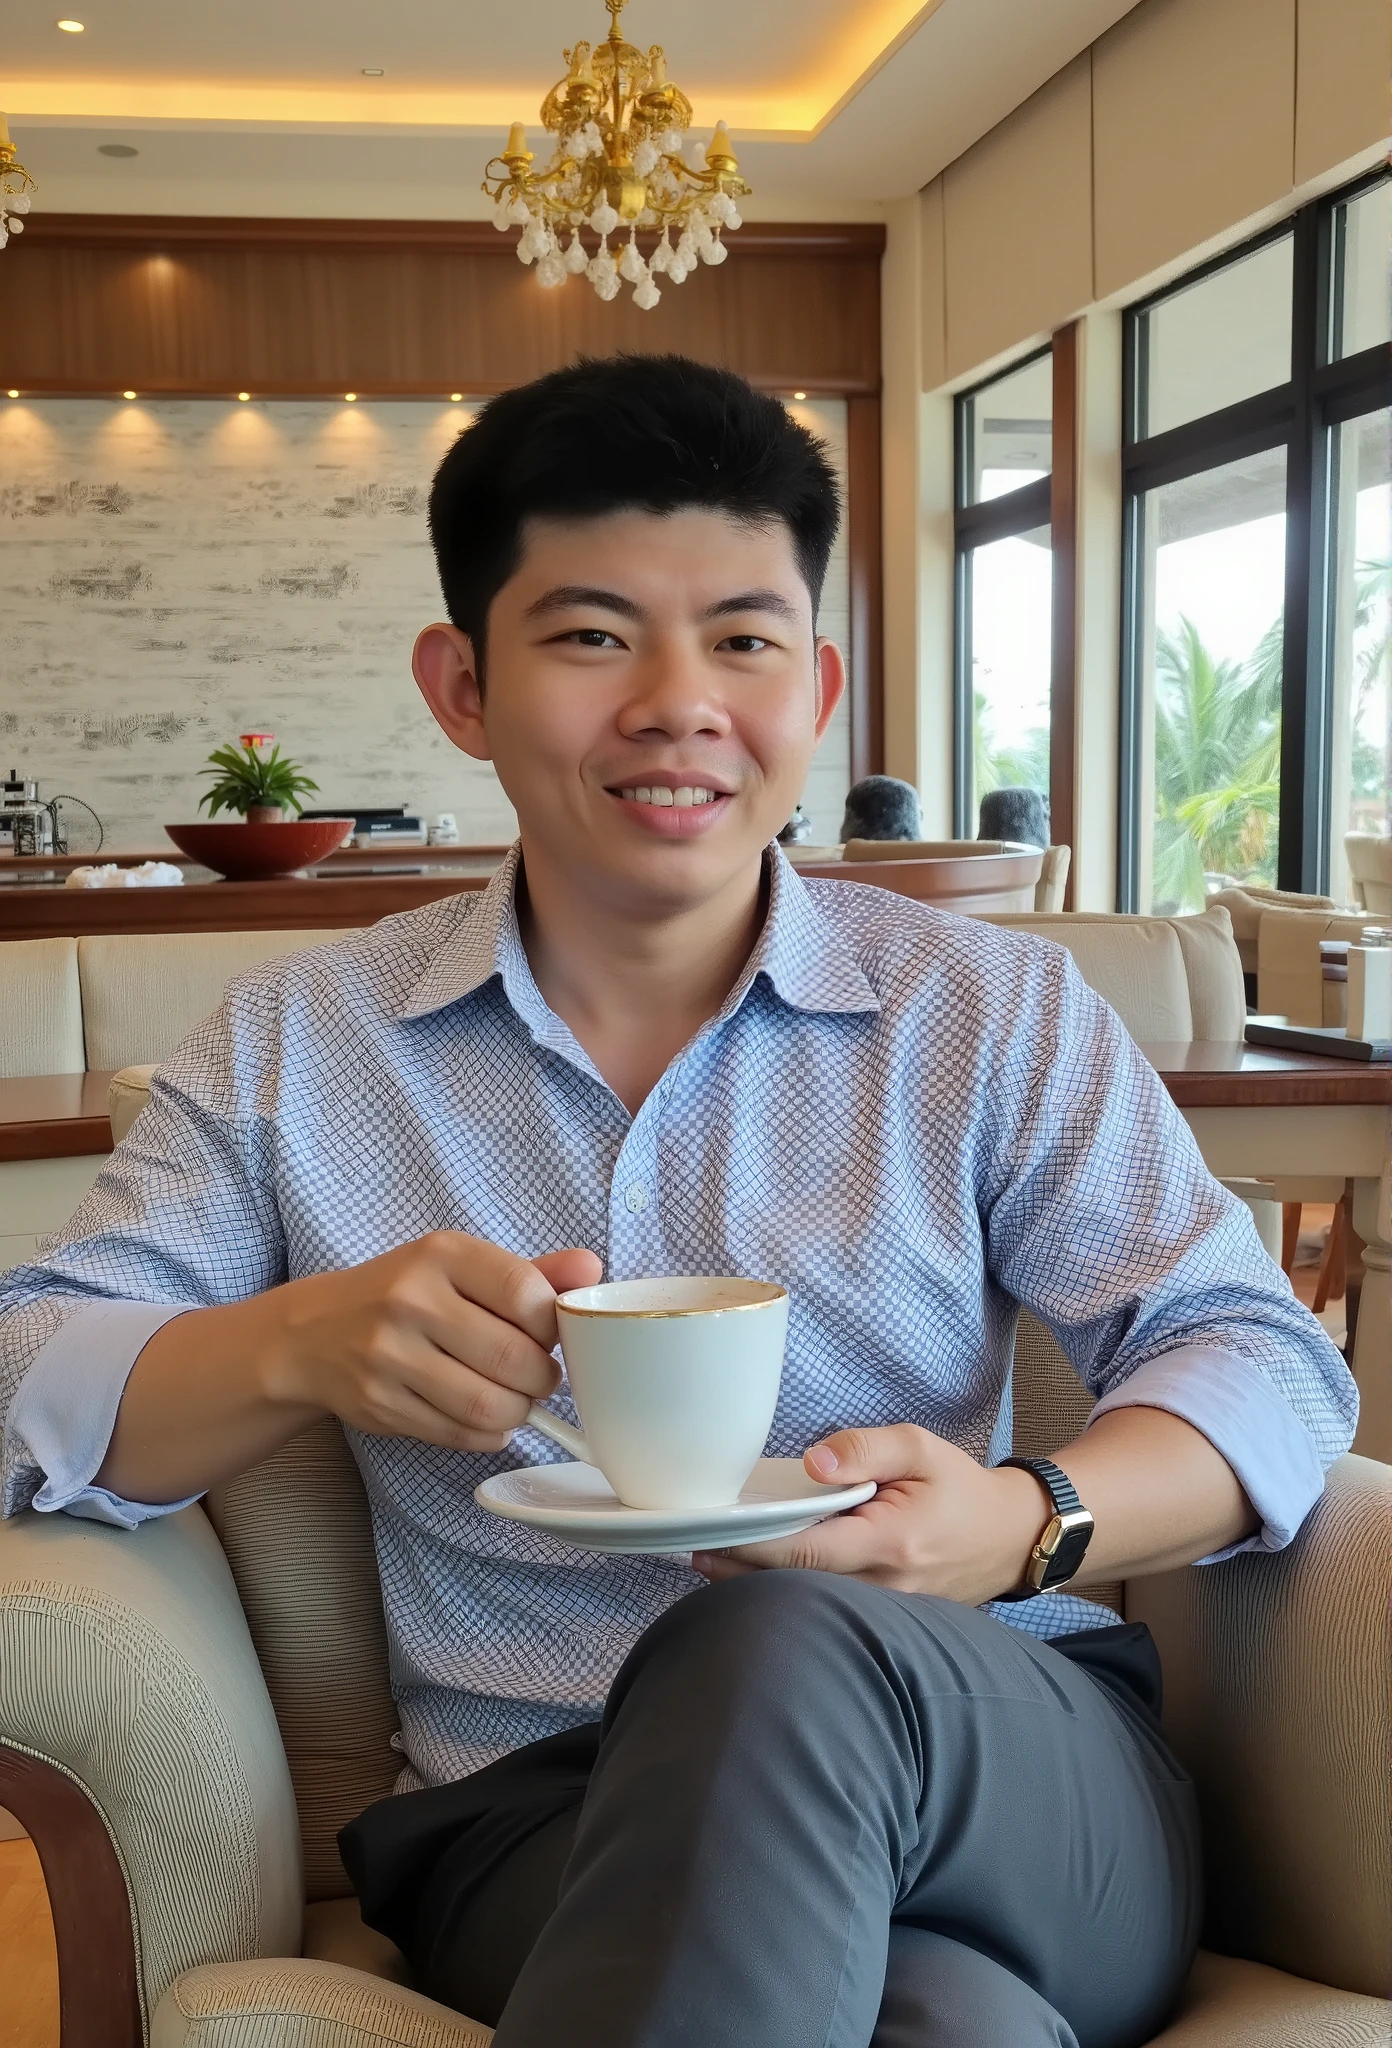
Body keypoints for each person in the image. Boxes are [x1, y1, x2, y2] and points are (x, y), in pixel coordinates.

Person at [0, 355, 1356, 2048]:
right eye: (588, 636)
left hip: (1004, 1756)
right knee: (945, 2025)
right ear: (462, 687)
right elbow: (20, 1373)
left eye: (743, 637)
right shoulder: (301, 1051)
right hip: (544, 1814)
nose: (676, 702)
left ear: (818, 682)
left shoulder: (980, 1014)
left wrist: (1022, 1523)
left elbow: (1260, 1354)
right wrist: (293, 1346)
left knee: (780, 1648)